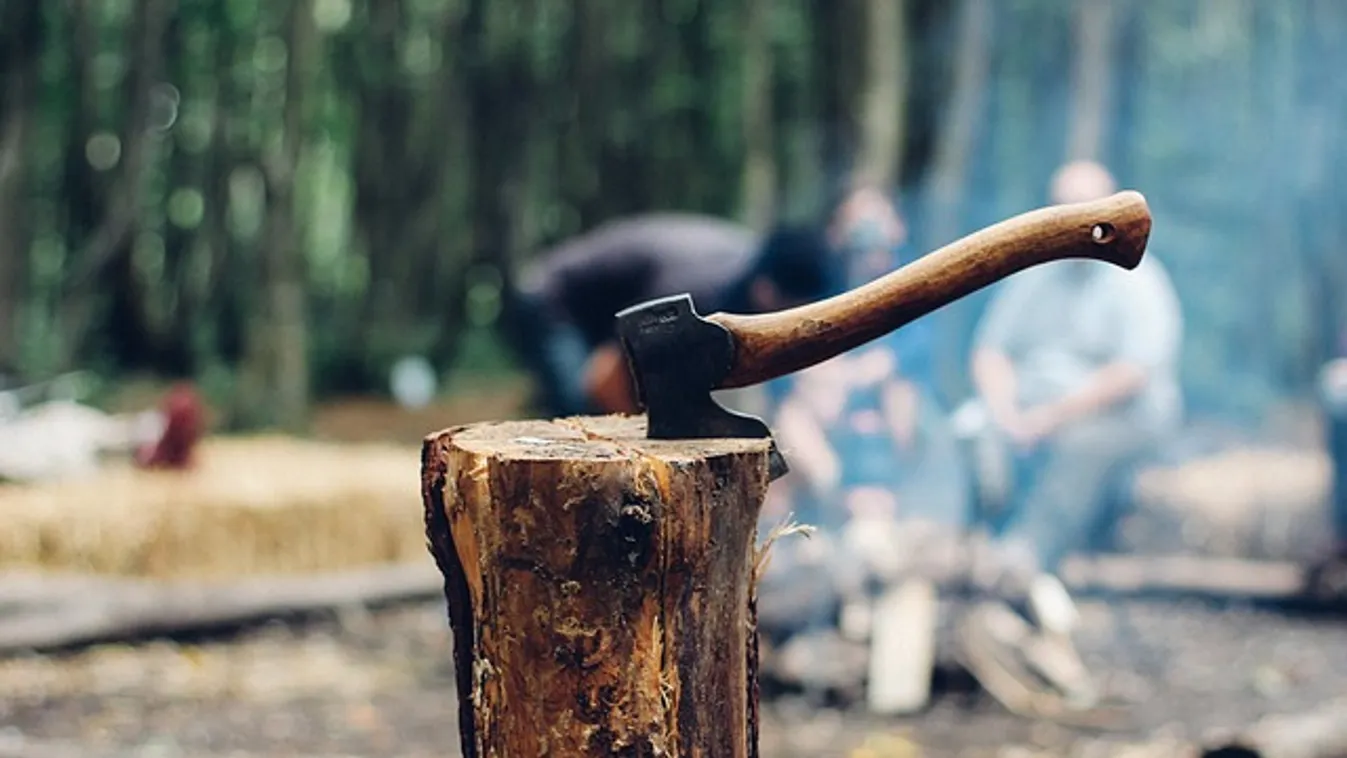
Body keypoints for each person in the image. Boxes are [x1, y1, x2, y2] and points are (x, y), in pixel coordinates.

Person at [966, 160, 1184, 595]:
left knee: (1081, 446)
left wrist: (1049, 418)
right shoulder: (1032, 276)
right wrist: (1005, 414)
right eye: (1063, 208)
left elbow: (1133, 373)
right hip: (1029, 408)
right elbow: (990, 351)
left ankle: (1026, 557)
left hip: (1119, 416)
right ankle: (963, 551)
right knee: (971, 428)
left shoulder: (1140, 280)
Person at [500, 213, 841, 418]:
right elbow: (608, 373)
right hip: (553, 300)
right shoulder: (699, 289)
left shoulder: (749, 273)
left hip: (608, 306)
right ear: (768, 292)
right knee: (582, 418)